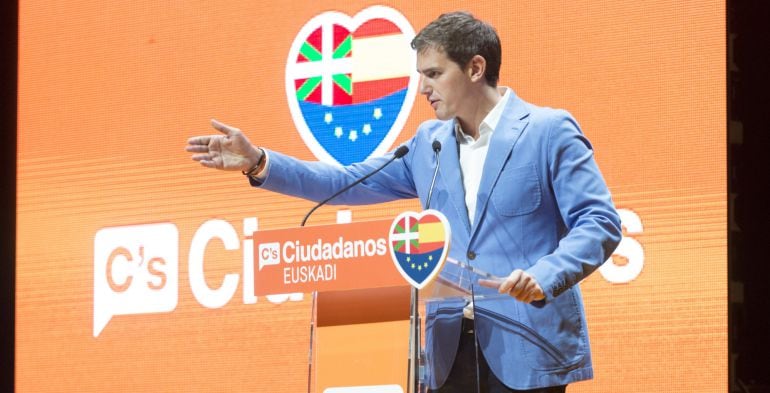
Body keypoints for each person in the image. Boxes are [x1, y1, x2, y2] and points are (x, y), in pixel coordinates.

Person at [186, 11, 621, 393]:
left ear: (475, 68)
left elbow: (599, 221)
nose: (422, 89)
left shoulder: (547, 131)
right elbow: (347, 180)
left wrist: (545, 275)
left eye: (433, 74)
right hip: (449, 350)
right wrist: (260, 162)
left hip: (529, 346)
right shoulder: (427, 144)